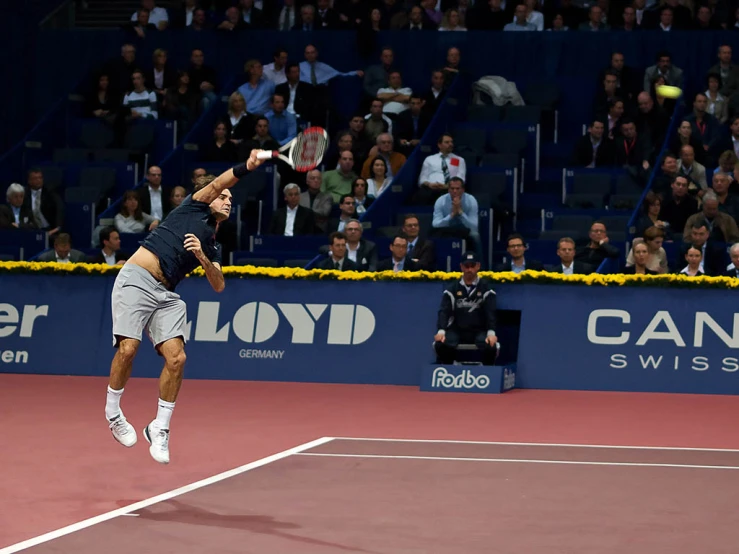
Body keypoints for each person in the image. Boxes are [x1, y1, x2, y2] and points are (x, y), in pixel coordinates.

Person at [104, 150, 268, 464]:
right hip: (137, 278)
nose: (227, 200)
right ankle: (113, 413)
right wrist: (245, 167)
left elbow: (219, 285)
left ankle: (160, 428)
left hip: (166, 294)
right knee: (128, 348)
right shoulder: (192, 205)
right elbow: (222, 181)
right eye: (224, 197)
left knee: (177, 359)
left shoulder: (214, 243)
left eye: (231, 200)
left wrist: (203, 257)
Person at [433, 252, 498, 366]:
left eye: (472, 266)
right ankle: (450, 368)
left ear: (478, 266)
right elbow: (444, 311)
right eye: (466, 266)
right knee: (440, 343)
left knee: (491, 345)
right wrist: (441, 331)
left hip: (479, 330)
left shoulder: (486, 288)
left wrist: (491, 332)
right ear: (461, 267)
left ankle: (487, 371)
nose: (469, 269)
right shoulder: (452, 289)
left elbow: (491, 312)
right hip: (457, 329)